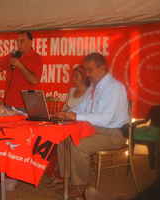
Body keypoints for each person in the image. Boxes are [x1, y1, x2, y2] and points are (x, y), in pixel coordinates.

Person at [55, 53, 129, 198]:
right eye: (86, 70)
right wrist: (66, 113)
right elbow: (82, 107)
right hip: (96, 129)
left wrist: (76, 116)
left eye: (90, 70)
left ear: (102, 68)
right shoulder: (94, 87)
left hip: (114, 133)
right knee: (62, 136)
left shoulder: (114, 87)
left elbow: (106, 119)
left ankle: (80, 186)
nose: (87, 74)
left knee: (78, 144)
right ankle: (67, 180)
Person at [0, 31, 42, 110]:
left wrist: (20, 66)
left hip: (25, 106)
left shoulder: (36, 58)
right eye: (17, 41)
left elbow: (34, 80)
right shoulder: (13, 55)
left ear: (30, 42)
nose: (18, 44)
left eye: (22, 41)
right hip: (9, 103)